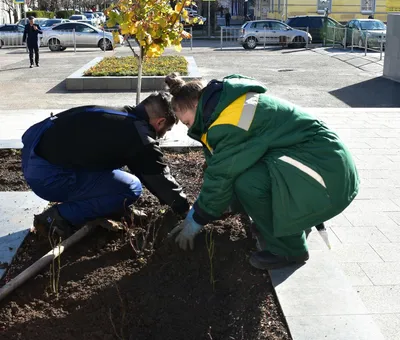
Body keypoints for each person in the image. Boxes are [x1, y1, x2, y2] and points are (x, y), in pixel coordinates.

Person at [166, 73, 359, 270]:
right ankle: (272, 223)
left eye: (187, 123)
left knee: (248, 182)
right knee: (244, 173)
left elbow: (222, 175)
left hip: (327, 175)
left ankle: (289, 249)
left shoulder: (232, 122)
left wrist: (197, 218)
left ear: (197, 106)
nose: (189, 129)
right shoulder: (228, 105)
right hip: (319, 161)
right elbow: (223, 164)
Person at [22, 92, 190, 238]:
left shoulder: (119, 116)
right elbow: (159, 177)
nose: (162, 136)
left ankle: (109, 207)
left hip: (33, 154)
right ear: (160, 122)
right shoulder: (138, 137)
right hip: (47, 177)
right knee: (130, 187)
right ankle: (57, 217)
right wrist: (185, 209)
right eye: (166, 130)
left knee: (116, 172)